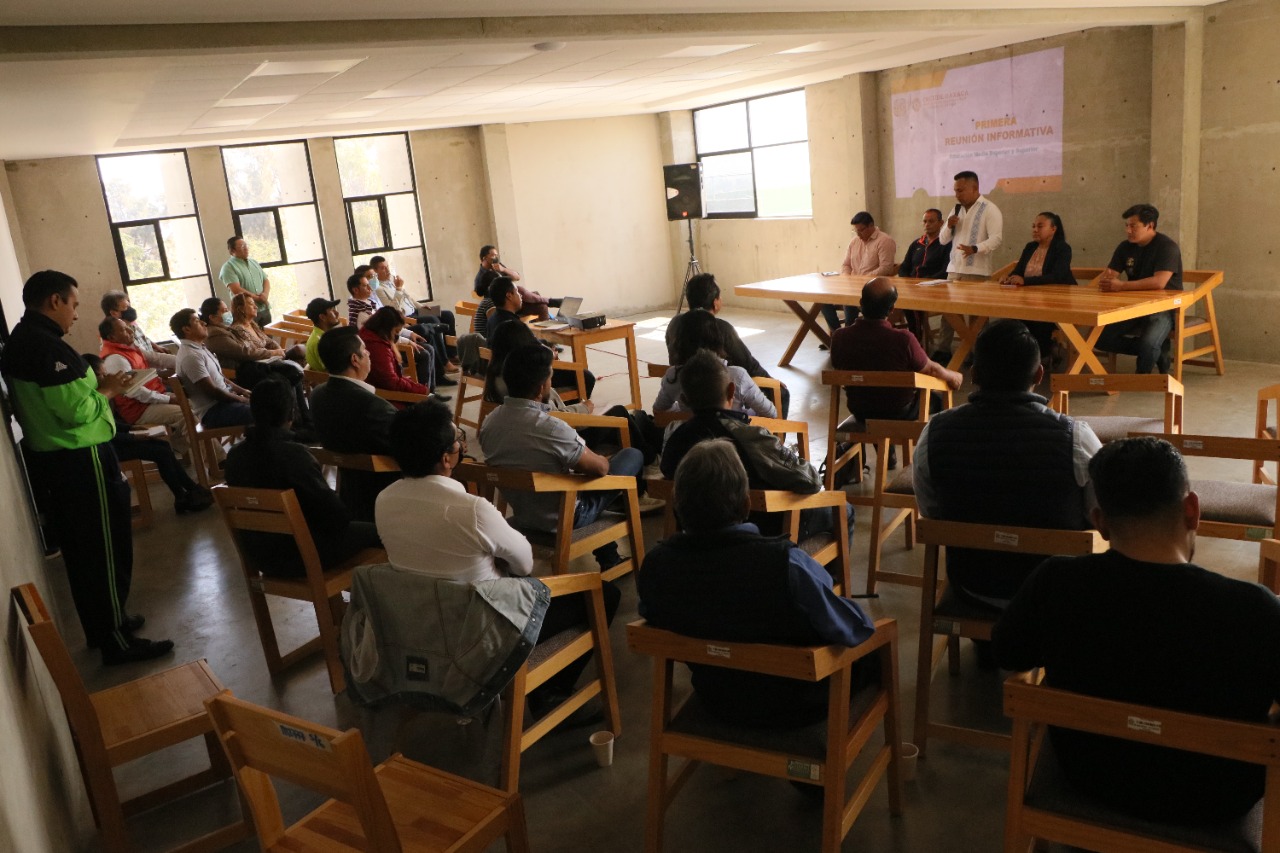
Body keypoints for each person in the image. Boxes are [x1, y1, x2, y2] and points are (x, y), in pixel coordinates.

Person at [994, 436, 1280, 824]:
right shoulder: (1256, 610)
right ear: (1193, 510)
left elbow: (1009, 652)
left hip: (1089, 776)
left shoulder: (1056, 582)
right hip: (1217, 802)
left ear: (1100, 522)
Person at [376, 400, 621, 715]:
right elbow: (525, 563)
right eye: (458, 441)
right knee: (603, 594)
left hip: (424, 632)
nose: (462, 446)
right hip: (487, 637)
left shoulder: (384, 501)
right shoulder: (472, 509)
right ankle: (550, 693)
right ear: (446, 458)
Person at [638, 440, 876, 728]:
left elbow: (655, 616)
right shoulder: (786, 565)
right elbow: (851, 628)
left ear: (677, 507)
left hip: (717, 701)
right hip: (798, 706)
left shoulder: (656, 567)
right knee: (876, 651)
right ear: (746, 504)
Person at [1, 270, 173, 665]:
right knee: (103, 548)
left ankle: (107, 624)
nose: (76, 314)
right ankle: (117, 641)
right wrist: (108, 390)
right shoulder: (42, 346)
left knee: (88, 552)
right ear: (55, 301)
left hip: (65, 458)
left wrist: (99, 387)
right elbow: (74, 411)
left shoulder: (28, 340)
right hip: (79, 457)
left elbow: (67, 398)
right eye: (73, 304)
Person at [913, 319, 1099, 616]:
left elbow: (933, 513)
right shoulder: (1076, 437)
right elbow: (1098, 515)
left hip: (973, 588)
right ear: (1039, 374)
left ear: (974, 374)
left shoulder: (934, 434)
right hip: (1054, 590)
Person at [479, 344, 645, 571]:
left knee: (573, 478)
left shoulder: (489, 423)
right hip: (566, 518)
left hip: (524, 514)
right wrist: (601, 459)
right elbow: (600, 469)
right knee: (631, 456)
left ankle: (610, 557)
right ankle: (619, 536)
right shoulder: (551, 428)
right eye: (550, 378)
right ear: (541, 388)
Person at [660, 350, 847, 544]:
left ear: (684, 400)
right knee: (844, 510)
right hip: (763, 532)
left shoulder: (674, 440)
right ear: (731, 391)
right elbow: (811, 481)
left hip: (696, 537)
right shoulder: (751, 437)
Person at [225, 378, 381, 577]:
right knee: (383, 533)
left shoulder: (235, 455)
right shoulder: (294, 455)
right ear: (291, 414)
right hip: (301, 554)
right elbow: (336, 517)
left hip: (260, 557)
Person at [830, 277, 962, 469]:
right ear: (892, 309)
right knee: (940, 399)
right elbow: (931, 369)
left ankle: (887, 454)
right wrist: (953, 377)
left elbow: (838, 367)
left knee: (873, 396)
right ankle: (940, 463)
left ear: (860, 304)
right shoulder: (903, 340)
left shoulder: (839, 337)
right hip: (899, 411)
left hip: (860, 409)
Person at [84, 353, 212, 515]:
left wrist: (130, 428)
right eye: (100, 375)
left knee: (163, 446)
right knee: (160, 452)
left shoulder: (101, 392)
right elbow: (102, 431)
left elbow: (111, 422)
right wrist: (132, 436)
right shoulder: (90, 399)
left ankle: (188, 492)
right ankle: (185, 494)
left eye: (105, 374)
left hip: (115, 440)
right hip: (107, 448)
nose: (105, 378)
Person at [665, 272, 789, 418]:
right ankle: (776, 433)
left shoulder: (675, 323)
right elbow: (748, 364)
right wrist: (771, 380)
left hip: (685, 390)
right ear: (715, 303)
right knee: (780, 393)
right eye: (720, 296)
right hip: (717, 395)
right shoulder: (720, 328)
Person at [310, 326, 400, 521]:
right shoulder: (372, 406)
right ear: (355, 360)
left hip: (350, 493)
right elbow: (407, 448)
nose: (369, 353)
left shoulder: (317, 395)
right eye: (365, 350)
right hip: (386, 495)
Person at [1095, 203, 1184, 374]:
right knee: (1099, 338)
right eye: (1126, 226)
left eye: (1133, 226)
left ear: (1150, 225)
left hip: (1163, 307)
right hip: (1132, 306)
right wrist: (1108, 280)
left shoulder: (1167, 247)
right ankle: (1158, 352)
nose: (1128, 230)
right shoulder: (1125, 247)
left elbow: (1159, 282)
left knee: (1148, 344)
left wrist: (1121, 286)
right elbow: (1110, 274)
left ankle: (1141, 379)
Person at [199, 297, 308, 425]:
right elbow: (244, 352)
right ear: (212, 317)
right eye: (224, 310)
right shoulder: (215, 334)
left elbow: (254, 346)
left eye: (228, 309)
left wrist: (275, 352)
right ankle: (294, 423)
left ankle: (303, 419)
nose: (228, 313)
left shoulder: (224, 329)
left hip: (253, 367)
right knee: (285, 378)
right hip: (242, 374)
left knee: (291, 373)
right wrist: (272, 353)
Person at [654, 309, 775, 418]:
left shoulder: (673, 376)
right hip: (735, 432)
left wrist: (685, 415)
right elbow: (770, 413)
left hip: (693, 432)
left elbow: (659, 410)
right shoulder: (737, 375)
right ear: (717, 338)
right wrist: (745, 415)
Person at [98, 315, 190, 458]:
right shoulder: (115, 359)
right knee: (185, 415)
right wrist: (168, 399)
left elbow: (157, 359)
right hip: (138, 409)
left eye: (128, 327)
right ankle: (215, 459)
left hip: (151, 399)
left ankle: (180, 449)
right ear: (112, 337)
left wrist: (186, 361)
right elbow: (134, 392)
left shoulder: (128, 349)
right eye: (124, 330)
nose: (131, 331)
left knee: (193, 406)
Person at [934, 171, 1003, 361]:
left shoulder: (990, 209)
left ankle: (978, 353)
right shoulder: (956, 210)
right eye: (955, 190)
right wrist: (948, 226)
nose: (957, 194)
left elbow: (996, 239)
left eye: (961, 190)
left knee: (977, 316)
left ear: (975, 188)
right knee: (949, 313)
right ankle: (943, 350)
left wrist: (975, 248)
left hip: (976, 271)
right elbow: (942, 240)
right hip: (954, 270)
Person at [998, 211, 1076, 359]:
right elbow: (1019, 270)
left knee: (1039, 322)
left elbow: (1057, 276)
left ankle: (1039, 356)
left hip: (1056, 301)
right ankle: (1022, 358)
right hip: (1028, 300)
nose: (1035, 230)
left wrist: (1025, 281)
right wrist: (1008, 277)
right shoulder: (1030, 247)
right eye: (1033, 226)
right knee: (1010, 321)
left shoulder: (1062, 248)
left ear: (1053, 229)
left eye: (1040, 226)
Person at [348, 271, 437, 389]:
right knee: (424, 353)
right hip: (382, 348)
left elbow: (388, 325)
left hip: (390, 339)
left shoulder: (368, 303)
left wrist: (409, 334)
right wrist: (407, 341)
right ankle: (425, 392)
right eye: (365, 285)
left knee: (428, 346)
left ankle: (430, 391)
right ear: (355, 290)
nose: (370, 287)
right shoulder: (361, 311)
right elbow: (382, 333)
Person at [170, 307, 254, 428]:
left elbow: (221, 378)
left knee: (269, 403)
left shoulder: (199, 348)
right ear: (187, 329)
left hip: (223, 403)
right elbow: (212, 391)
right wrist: (242, 400)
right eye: (197, 321)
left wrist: (243, 391)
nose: (204, 323)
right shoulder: (190, 356)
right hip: (213, 411)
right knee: (266, 412)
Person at [820, 211, 897, 336]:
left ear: (871, 226)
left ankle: (849, 334)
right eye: (856, 231)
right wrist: (847, 278)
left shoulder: (884, 241)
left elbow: (886, 268)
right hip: (852, 286)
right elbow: (846, 265)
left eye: (861, 230)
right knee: (822, 300)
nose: (858, 234)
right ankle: (838, 334)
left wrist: (862, 279)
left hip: (872, 289)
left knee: (849, 302)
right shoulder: (854, 242)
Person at [370, 254, 457, 352]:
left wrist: (421, 306)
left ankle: (452, 352)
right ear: (375, 271)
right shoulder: (378, 289)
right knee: (433, 320)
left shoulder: (392, 280)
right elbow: (392, 309)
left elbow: (408, 297)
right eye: (383, 268)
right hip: (407, 317)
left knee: (447, 315)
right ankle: (443, 358)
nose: (387, 270)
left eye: (387, 266)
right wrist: (398, 289)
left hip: (415, 310)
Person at [358, 306, 442, 400]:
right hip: (389, 398)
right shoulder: (377, 348)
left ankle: (430, 393)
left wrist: (419, 388)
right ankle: (429, 395)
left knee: (427, 350)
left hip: (387, 391)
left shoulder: (373, 336)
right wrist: (422, 391)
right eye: (396, 332)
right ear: (387, 328)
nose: (396, 336)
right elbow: (392, 382)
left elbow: (393, 378)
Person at [897, 208, 951, 342]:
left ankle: (915, 343)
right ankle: (912, 341)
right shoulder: (916, 244)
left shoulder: (946, 244)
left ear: (941, 223)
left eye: (931, 221)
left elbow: (946, 271)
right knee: (895, 300)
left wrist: (927, 283)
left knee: (912, 305)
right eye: (925, 221)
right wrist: (907, 281)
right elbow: (904, 267)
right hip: (912, 288)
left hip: (934, 289)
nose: (927, 224)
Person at [474, 244, 559, 321]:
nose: (496, 257)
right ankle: (550, 304)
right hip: (505, 303)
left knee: (533, 293)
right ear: (484, 258)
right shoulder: (481, 276)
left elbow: (517, 277)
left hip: (512, 296)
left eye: (497, 255)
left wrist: (503, 269)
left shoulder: (498, 266)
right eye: (493, 255)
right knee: (541, 306)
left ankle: (547, 306)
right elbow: (480, 293)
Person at [100, 289, 176, 371]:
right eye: (126, 307)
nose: (130, 310)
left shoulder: (130, 323)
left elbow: (143, 338)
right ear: (114, 313)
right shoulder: (117, 338)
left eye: (129, 306)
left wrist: (156, 346)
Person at [218, 235, 271, 326]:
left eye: (246, 245)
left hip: (263, 307)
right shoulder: (228, 267)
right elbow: (236, 290)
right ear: (232, 251)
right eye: (242, 246)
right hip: (245, 311)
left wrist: (265, 294)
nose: (246, 248)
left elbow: (265, 280)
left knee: (268, 334)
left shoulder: (253, 262)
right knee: (251, 334)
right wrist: (257, 298)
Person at [303, 296, 343, 371]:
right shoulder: (320, 343)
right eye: (332, 310)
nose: (337, 313)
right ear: (322, 317)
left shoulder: (322, 335)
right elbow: (334, 371)